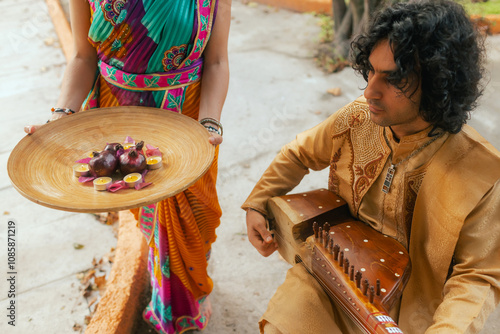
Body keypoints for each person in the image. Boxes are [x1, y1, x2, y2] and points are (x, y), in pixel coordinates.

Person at [242, 1, 500, 333]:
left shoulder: (477, 170)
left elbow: (478, 276)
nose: (370, 90)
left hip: (408, 313)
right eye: (371, 71)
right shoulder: (357, 118)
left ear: (439, 82)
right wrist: (258, 202)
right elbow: (298, 154)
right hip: (325, 277)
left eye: (393, 79)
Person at [24, 0, 231, 333]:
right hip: (117, 116)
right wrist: (61, 117)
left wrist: (210, 122)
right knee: (152, 222)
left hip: (188, 119)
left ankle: (189, 302)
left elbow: (217, 60)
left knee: (194, 221)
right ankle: (173, 309)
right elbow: (82, 57)